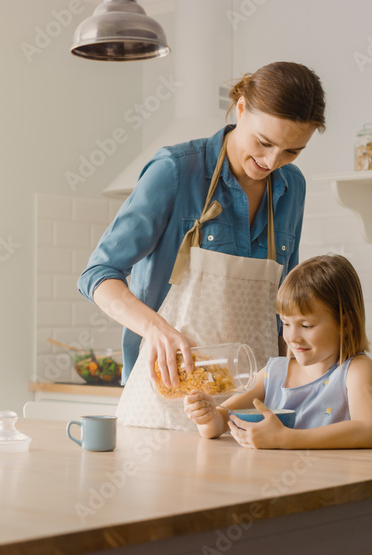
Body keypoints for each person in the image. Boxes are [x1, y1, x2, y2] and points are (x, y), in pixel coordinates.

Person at [77, 62, 326, 430]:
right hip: (166, 405)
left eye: (292, 151)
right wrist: (156, 329)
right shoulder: (177, 171)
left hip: (251, 414)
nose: (272, 162)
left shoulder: (292, 188)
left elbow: (285, 309)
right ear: (241, 108)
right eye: (264, 142)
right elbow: (97, 275)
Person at [184, 254, 372, 449]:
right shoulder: (274, 372)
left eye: (306, 326)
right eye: (286, 323)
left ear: (345, 323)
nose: (292, 337)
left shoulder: (354, 370)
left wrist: (286, 439)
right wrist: (207, 416)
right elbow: (220, 422)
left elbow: (369, 430)